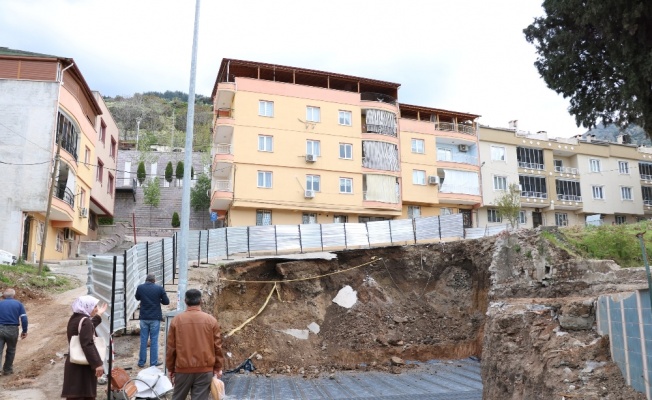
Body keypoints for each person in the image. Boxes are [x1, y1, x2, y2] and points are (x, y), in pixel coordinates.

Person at [166, 289, 224, 400]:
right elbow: (217, 347)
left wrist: (170, 368)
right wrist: (218, 367)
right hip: (204, 370)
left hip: (182, 369)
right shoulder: (211, 320)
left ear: (185, 301)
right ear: (201, 301)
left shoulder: (176, 320)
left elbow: (171, 348)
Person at [61, 295, 107, 400]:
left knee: (75, 395)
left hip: (74, 363)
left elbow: (86, 330)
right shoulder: (85, 320)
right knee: (84, 395)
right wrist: (97, 364)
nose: (96, 309)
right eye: (94, 306)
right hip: (83, 367)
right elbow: (87, 343)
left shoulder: (75, 318)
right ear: (87, 306)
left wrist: (99, 315)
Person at [135, 273, 170, 368]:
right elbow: (166, 302)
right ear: (154, 280)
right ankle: (153, 363)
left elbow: (137, 297)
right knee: (154, 340)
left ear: (146, 279)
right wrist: (159, 300)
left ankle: (141, 362)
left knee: (143, 340)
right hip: (155, 318)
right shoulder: (159, 288)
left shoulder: (140, 287)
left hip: (144, 317)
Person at [0, 288, 28, 376]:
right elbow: (24, 318)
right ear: (14, 295)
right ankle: (7, 370)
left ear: (4, 295)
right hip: (12, 329)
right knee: (11, 350)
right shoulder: (18, 304)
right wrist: (24, 331)